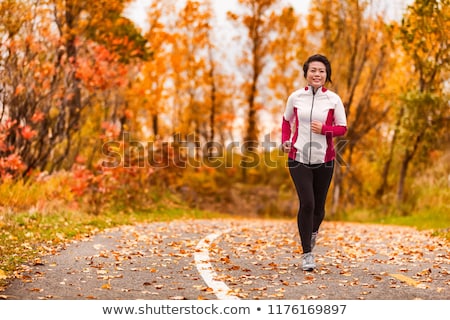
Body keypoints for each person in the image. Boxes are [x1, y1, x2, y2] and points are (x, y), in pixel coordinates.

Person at [281, 54, 347, 271]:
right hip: (298, 157)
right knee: (307, 203)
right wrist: (285, 141)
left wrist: (326, 129)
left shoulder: (333, 100)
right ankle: (307, 254)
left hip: (325, 160)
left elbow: (342, 128)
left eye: (321, 71)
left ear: (326, 75)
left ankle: (313, 232)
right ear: (306, 73)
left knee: (319, 208)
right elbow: (286, 120)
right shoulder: (296, 97)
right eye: (313, 70)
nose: (317, 74)